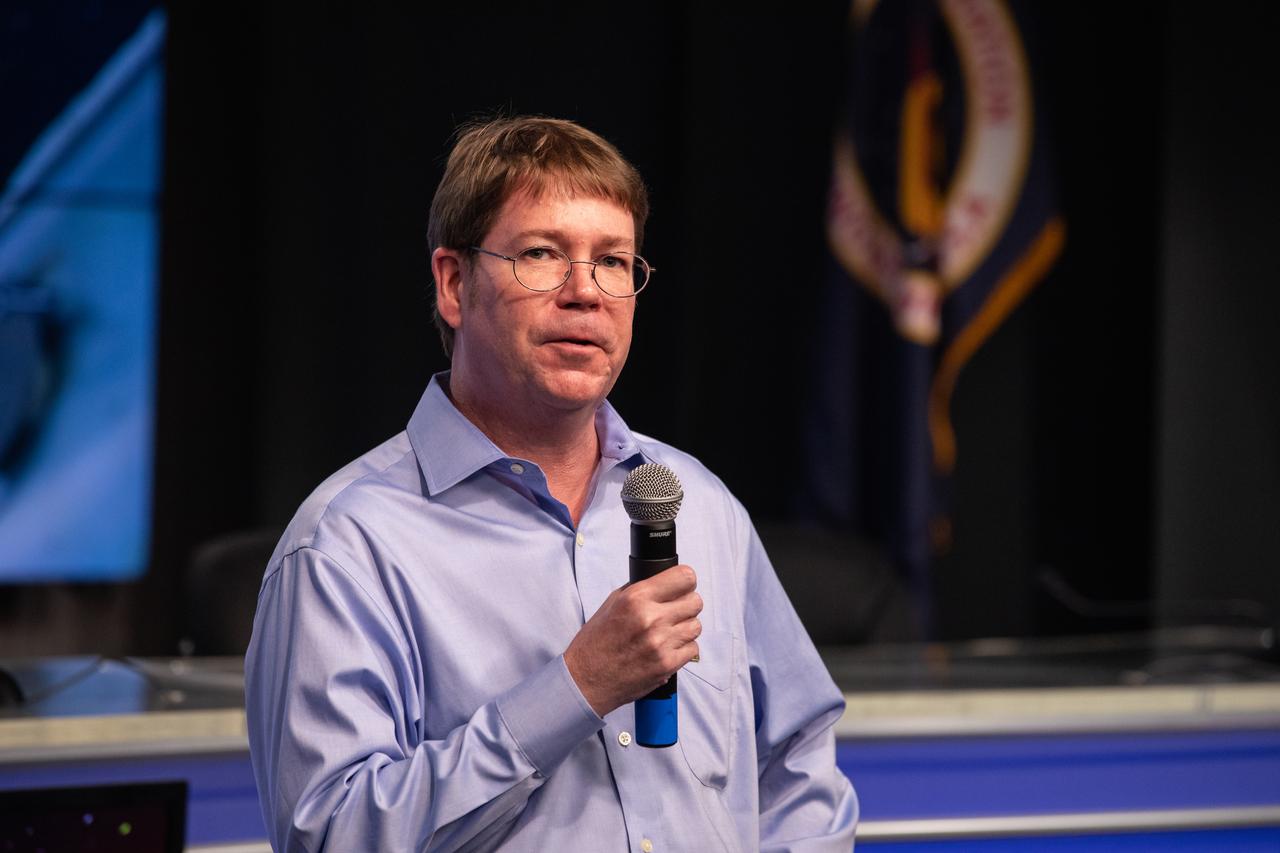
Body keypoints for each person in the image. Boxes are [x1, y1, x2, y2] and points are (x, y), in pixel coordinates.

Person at [245, 116, 858, 852]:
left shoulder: (698, 504)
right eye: (541, 254)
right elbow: (330, 835)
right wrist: (575, 688)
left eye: (613, 261)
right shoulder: (346, 544)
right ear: (454, 284)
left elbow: (797, 764)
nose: (585, 293)